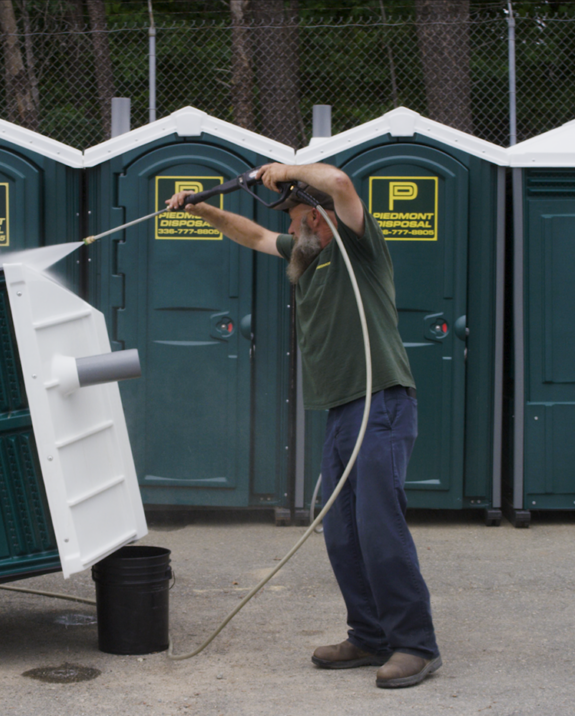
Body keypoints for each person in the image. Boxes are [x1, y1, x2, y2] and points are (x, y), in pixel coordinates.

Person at [167, 162, 441, 689]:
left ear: (319, 219)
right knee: (341, 534)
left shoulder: (359, 248)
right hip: (342, 409)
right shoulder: (305, 256)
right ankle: (369, 635)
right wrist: (201, 210)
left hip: (379, 401)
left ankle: (416, 645)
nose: (290, 231)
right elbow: (251, 234)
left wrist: (283, 169)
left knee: (380, 528)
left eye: (296, 220)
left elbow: (340, 184)